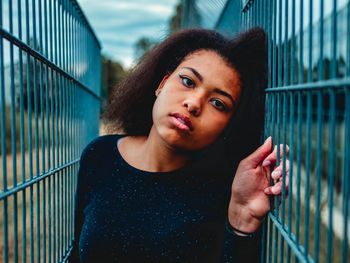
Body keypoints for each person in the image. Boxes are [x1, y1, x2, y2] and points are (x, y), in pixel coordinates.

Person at [68, 27, 289, 263]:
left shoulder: (224, 190)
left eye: (218, 103)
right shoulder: (99, 155)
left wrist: (242, 222)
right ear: (162, 84)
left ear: (228, 125)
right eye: (187, 81)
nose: (193, 103)